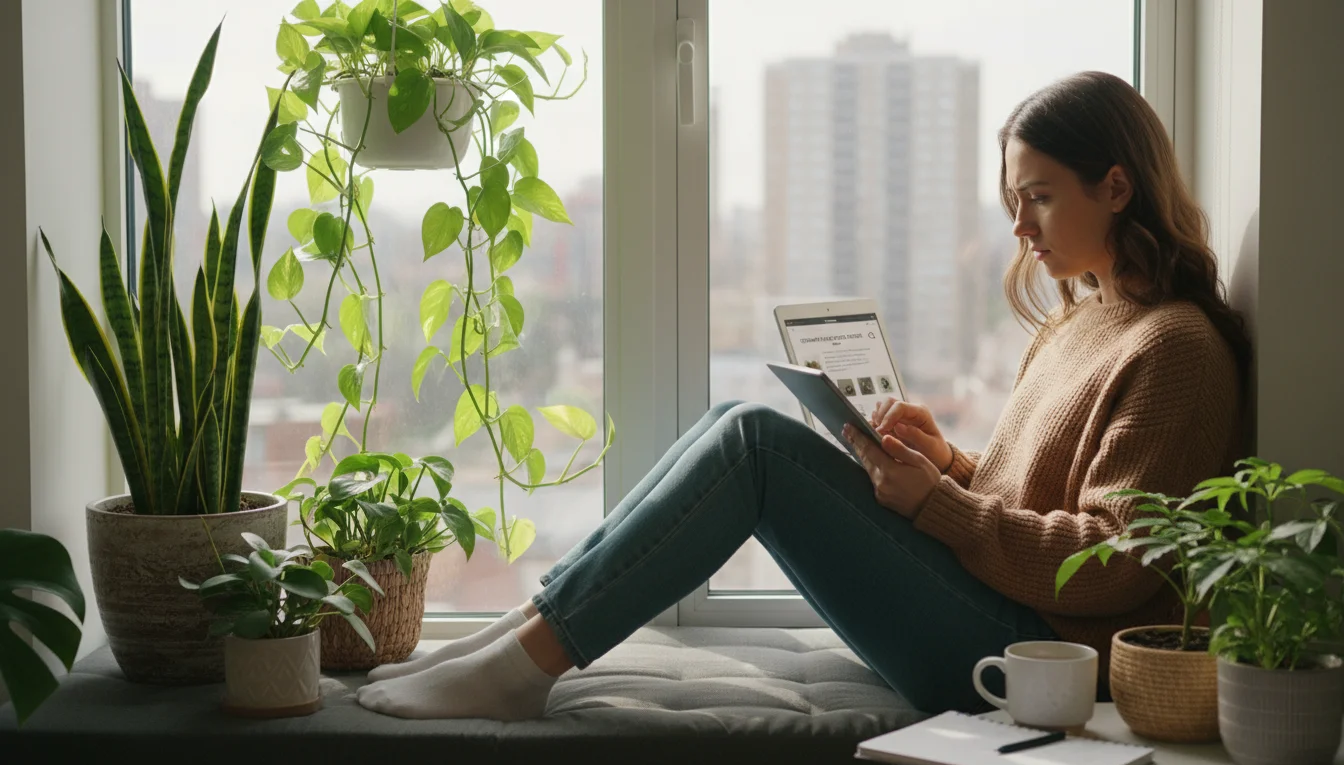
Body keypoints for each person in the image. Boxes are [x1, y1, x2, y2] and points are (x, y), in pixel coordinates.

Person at [355, 71, 1249, 721]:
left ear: (1118, 186)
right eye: (1014, 199)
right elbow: (1029, 504)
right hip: (995, 612)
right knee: (726, 424)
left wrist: (940, 505)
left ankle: (524, 666)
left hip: (1029, 657)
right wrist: (950, 464)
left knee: (751, 442)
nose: (1019, 227)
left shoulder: (1174, 347)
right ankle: (529, 629)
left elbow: (1119, 561)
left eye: (1040, 198)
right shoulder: (1082, 320)